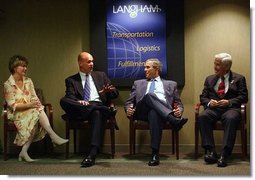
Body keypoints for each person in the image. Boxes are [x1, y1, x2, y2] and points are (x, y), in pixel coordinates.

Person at [3, 55, 69, 162]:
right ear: (15, 68)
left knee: (36, 111)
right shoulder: (7, 85)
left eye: (26, 66)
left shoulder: (28, 81)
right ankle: (53, 136)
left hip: (31, 110)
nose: (26, 68)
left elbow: (34, 97)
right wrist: (31, 105)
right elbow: (12, 105)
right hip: (16, 113)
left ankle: (24, 152)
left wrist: (36, 103)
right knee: (36, 112)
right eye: (23, 66)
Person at [124, 58, 188, 166]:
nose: (145, 70)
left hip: (161, 113)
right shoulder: (138, 83)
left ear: (156, 69)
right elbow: (129, 102)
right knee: (149, 95)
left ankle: (154, 154)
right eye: (145, 67)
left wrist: (179, 110)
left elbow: (178, 103)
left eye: (147, 67)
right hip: (142, 112)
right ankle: (173, 120)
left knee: (154, 113)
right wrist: (128, 108)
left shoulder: (171, 84)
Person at [60, 51, 119, 168]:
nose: (92, 64)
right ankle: (103, 109)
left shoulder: (101, 75)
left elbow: (115, 93)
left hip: (96, 109)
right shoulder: (71, 80)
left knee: (96, 112)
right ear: (80, 63)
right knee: (63, 100)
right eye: (89, 62)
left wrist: (109, 91)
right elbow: (70, 97)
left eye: (92, 61)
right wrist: (78, 102)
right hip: (81, 109)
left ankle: (92, 154)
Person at [197, 52, 248, 167]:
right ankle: (211, 151)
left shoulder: (239, 79)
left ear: (226, 66)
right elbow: (203, 97)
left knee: (231, 118)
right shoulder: (209, 79)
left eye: (218, 64)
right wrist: (210, 102)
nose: (214, 67)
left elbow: (244, 97)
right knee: (202, 116)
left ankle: (225, 154)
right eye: (215, 64)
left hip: (230, 109)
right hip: (214, 109)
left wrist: (229, 102)